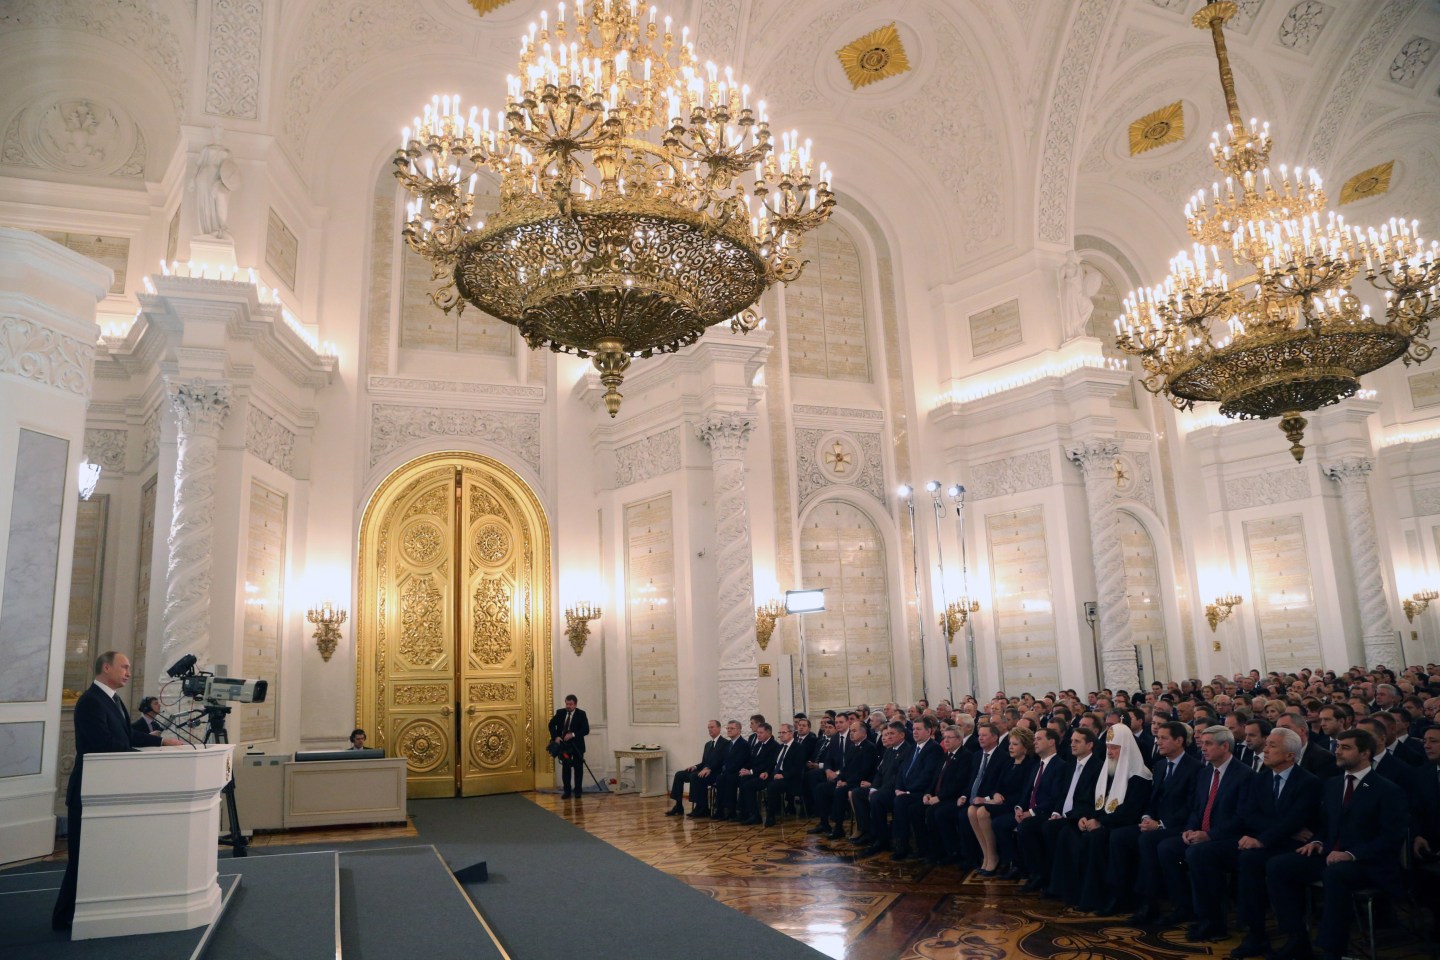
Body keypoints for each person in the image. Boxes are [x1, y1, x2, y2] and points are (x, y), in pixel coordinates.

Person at [53, 652, 181, 931]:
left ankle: (94, 910)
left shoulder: (114, 700)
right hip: (90, 789)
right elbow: (103, 743)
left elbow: (126, 736)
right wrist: (140, 756)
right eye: (123, 666)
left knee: (101, 855)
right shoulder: (90, 701)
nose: (128, 671)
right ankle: (64, 917)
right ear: (106, 667)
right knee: (82, 856)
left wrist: (162, 743)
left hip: (110, 787)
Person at [1265, 729, 1407, 960]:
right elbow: (1325, 823)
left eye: (1346, 747)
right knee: (1279, 865)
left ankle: (1333, 949)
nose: (1338, 751)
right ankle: (1296, 939)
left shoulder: (1387, 790)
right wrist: (1318, 841)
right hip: (1330, 855)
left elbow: (1391, 837)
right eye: (1338, 746)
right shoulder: (1331, 784)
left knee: (1335, 874)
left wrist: (1351, 854)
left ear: (1365, 753)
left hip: (1368, 863)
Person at [1187, 727, 1319, 957]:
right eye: (1266, 744)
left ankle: (1293, 937)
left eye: (1272, 746)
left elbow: (1295, 818)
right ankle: (1248, 931)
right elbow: (1250, 814)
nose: (1265, 750)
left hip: (1293, 846)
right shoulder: (1262, 778)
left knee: (1265, 864)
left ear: (1290, 755)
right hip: (1272, 840)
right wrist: (1270, 834)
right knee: (1221, 855)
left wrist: (1265, 837)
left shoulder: (1308, 782)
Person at [1051, 723, 1152, 911]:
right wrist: (1083, 817)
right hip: (1099, 821)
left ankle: (1101, 897)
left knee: (1096, 838)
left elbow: (1130, 811)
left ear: (1126, 749)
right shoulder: (1106, 771)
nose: (1110, 752)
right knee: (1068, 831)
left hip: (1120, 825)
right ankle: (1071, 892)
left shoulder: (1139, 775)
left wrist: (1100, 821)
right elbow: (1089, 799)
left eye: (1114, 748)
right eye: (1107, 748)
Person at [1125, 721, 1204, 922]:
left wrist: (1160, 824)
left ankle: (1152, 902)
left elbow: (1191, 806)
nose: (1158, 742)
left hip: (1179, 825)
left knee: (1150, 842)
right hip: (1157, 822)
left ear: (1179, 741)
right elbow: (1153, 798)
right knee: (1121, 837)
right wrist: (1147, 817)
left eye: (1163, 738)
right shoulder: (1160, 766)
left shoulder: (1195, 767)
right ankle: (1127, 896)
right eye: (1157, 738)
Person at [667, 719, 727, 816]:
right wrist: (695, 766)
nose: (710, 730)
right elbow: (704, 762)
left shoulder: (725, 743)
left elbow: (722, 762)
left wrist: (709, 768)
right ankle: (678, 806)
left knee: (695, 776)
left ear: (719, 728)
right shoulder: (708, 744)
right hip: (704, 770)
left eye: (712, 727)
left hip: (715, 772)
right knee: (680, 774)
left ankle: (701, 807)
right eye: (708, 728)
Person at [736, 723, 780, 825]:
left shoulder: (774, 746)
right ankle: (744, 812)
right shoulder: (757, 745)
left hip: (767, 775)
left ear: (769, 733)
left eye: (761, 733)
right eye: (757, 733)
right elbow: (752, 761)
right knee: (741, 780)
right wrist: (745, 769)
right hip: (756, 773)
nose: (758, 735)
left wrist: (751, 772)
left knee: (749, 785)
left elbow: (769, 764)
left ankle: (755, 815)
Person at [548, 694, 589, 798]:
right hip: (564, 746)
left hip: (577, 745)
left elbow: (586, 730)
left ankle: (578, 791)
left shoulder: (581, 714)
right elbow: (551, 724)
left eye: (570, 704)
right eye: (566, 704)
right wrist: (556, 737)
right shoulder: (560, 712)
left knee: (578, 768)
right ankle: (567, 791)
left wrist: (573, 734)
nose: (568, 706)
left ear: (575, 704)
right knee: (566, 768)